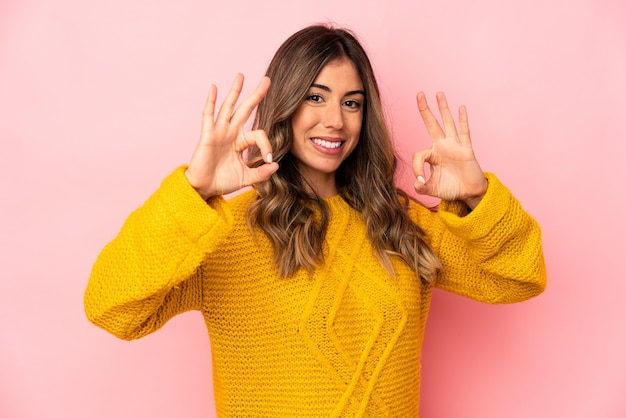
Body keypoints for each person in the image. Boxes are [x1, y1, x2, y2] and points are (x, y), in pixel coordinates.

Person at [84, 24, 546, 417]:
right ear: (286, 104)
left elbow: (519, 278)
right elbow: (111, 307)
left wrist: (477, 195)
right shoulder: (226, 232)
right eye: (315, 97)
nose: (335, 121)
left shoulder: (398, 223)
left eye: (351, 102)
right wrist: (195, 192)